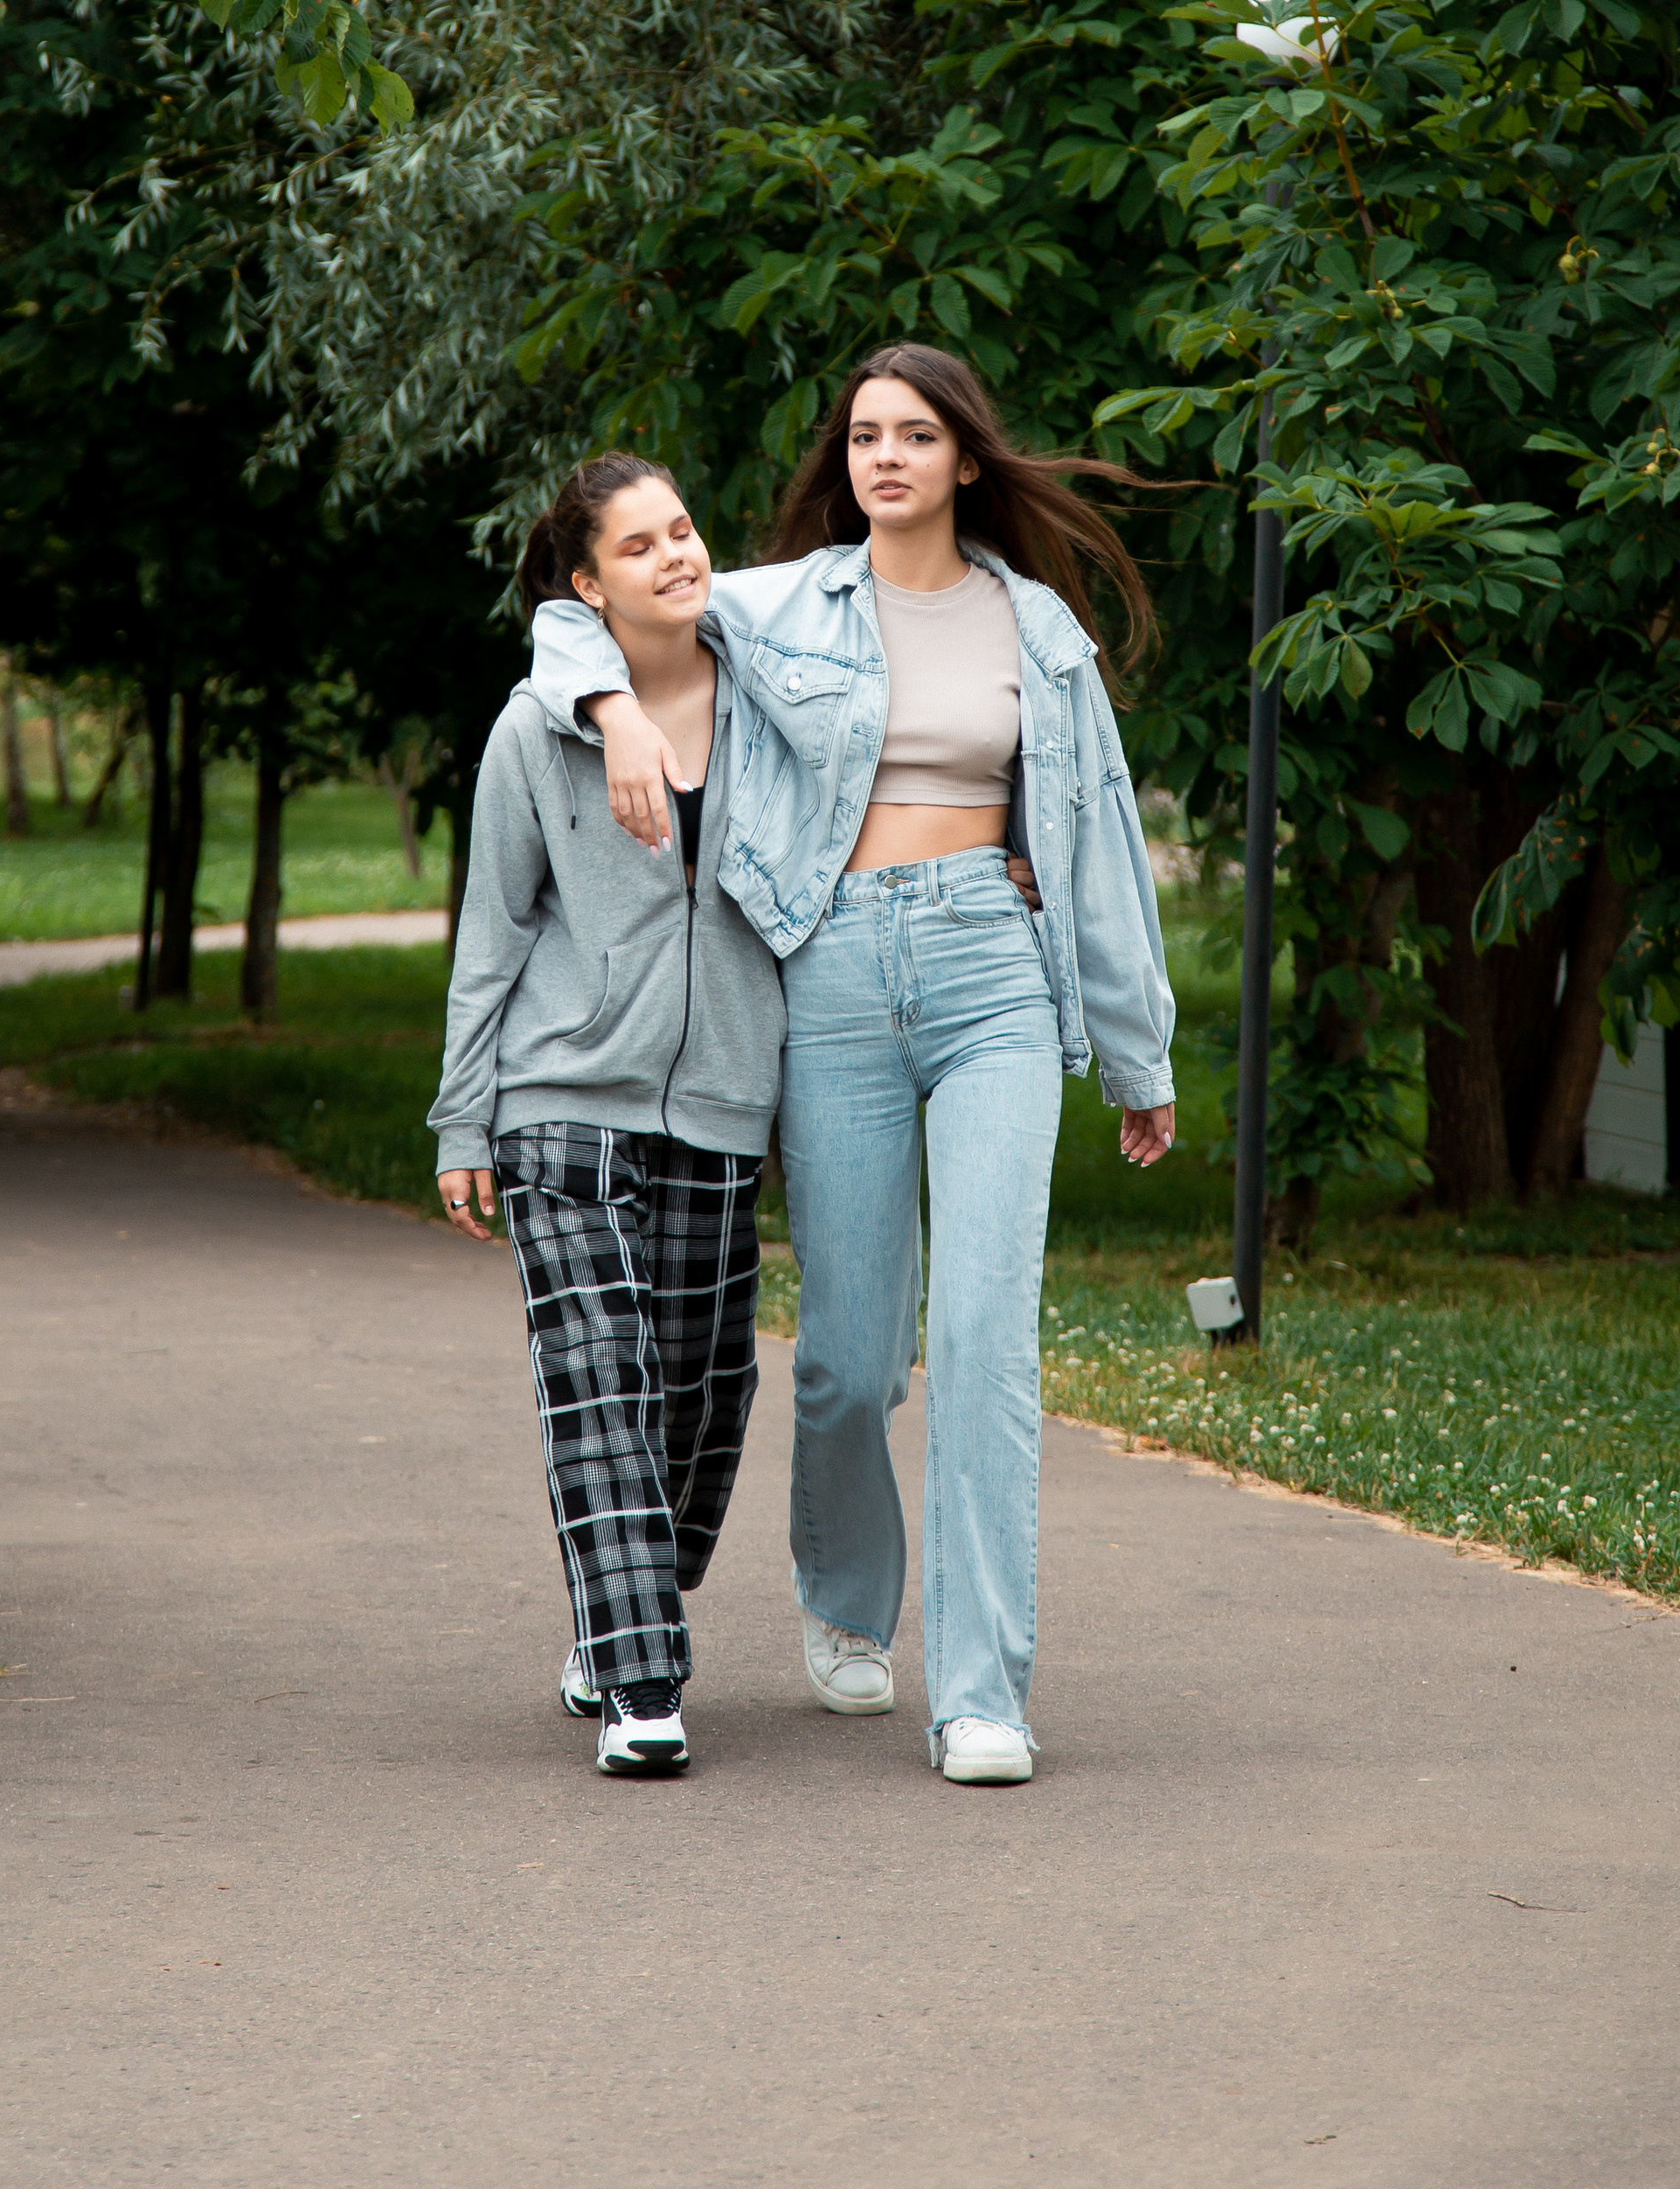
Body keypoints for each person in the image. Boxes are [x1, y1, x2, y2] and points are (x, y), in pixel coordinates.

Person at [529, 344, 1177, 1788]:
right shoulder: (776, 603)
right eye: (867, 435)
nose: (888, 457)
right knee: (846, 1361)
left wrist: (1137, 1053)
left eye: (919, 436)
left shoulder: (1039, 631)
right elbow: (573, 623)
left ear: (964, 459)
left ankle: (985, 1694)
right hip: (828, 975)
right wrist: (619, 712)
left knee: (989, 1344)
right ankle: (845, 1600)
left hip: (991, 973)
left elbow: (1105, 847)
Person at [428, 452, 786, 1778]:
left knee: (703, 1395)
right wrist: (465, 1118)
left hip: (721, 1102)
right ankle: (644, 1683)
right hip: (563, 1098)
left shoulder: (771, 700)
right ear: (587, 586)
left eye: (685, 529)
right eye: (637, 547)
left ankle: (618, 1592)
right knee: (600, 1385)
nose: (677, 556)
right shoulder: (539, 729)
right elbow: (491, 925)